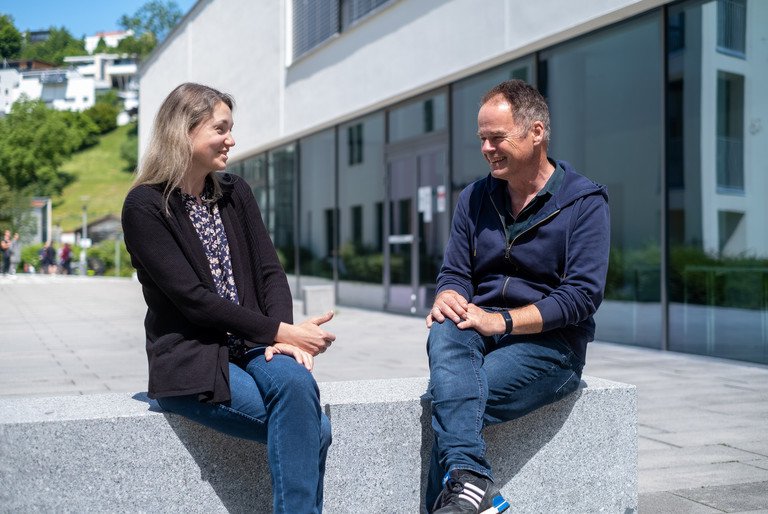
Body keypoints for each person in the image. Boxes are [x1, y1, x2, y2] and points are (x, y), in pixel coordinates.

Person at [121, 83, 336, 513]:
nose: (231, 140)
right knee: (315, 427)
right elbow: (194, 300)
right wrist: (282, 330)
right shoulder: (144, 206)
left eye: (231, 129)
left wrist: (280, 338)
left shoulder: (235, 192)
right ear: (185, 131)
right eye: (221, 129)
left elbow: (269, 270)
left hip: (253, 345)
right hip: (194, 360)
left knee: (298, 387)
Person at [424, 80, 610, 513]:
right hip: (479, 329)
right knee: (445, 328)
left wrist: (502, 321)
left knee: (453, 398)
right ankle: (473, 485)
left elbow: (581, 296)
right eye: (482, 139)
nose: (487, 148)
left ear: (537, 132)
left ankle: (464, 489)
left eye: (497, 137)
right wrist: (448, 294)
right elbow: (455, 271)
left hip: (551, 347)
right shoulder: (474, 197)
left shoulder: (585, 201)